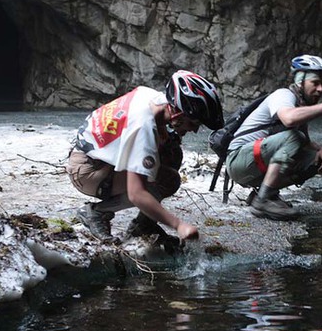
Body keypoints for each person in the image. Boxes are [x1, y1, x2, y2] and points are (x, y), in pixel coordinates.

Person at [66, 69, 224, 245]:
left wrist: (163, 133)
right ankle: (96, 212)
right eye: (193, 123)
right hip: (87, 171)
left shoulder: (152, 97)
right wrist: (179, 225)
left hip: (91, 156)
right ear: (178, 113)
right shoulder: (143, 128)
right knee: (168, 180)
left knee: (172, 151)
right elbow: (136, 194)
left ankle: (144, 225)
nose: (194, 130)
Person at [226, 55, 322, 221]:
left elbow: (304, 142)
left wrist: (320, 149)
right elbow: (289, 119)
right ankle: (263, 200)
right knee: (294, 137)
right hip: (238, 160)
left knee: (315, 158)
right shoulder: (283, 95)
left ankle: (262, 195)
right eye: (315, 83)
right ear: (300, 81)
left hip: (254, 163)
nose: (320, 89)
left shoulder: (300, 105)